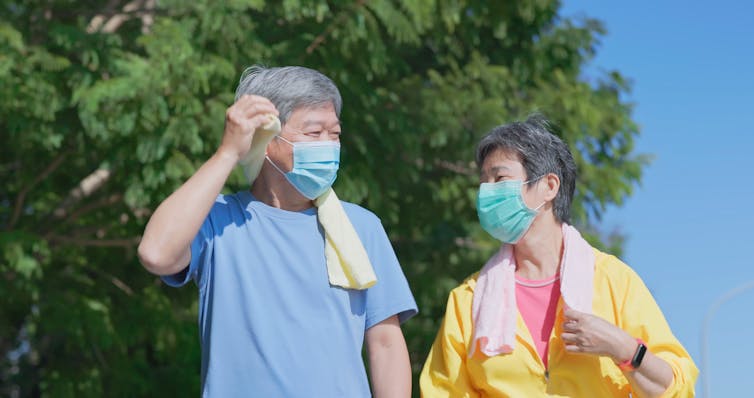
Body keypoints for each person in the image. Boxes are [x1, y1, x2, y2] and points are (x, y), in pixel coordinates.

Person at [137, 65, 417, 397]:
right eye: (314, 134)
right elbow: (156, 254)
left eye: (335, 134)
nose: (328, 145)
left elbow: (385, 343)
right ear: (266, 141)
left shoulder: (361, 226)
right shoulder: (219, 221)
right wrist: (228, 153)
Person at [420, 115, 698, 397]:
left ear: (549, 186)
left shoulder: (614, 281)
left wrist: (623, 348)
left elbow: (677, 388)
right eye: (484, 182)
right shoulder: (468, 300)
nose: (486, 193)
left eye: (499, 178)